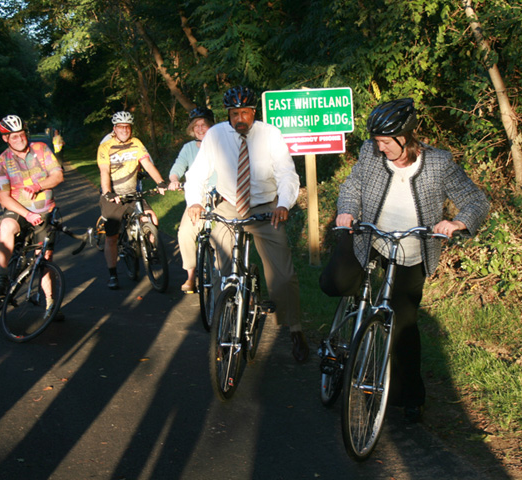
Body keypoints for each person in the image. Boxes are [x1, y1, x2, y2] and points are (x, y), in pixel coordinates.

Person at [319, 98, 489, 422]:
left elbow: (474, 200)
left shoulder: (439, 162)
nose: (379, 148)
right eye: (377, 141)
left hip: (412, 248)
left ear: (405, 137)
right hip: (368, 237)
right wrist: (347, 210)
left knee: (403, 323)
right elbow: (352, 186)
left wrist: (456, 222)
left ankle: (409, 395)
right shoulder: (370, 154)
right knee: (334, 282)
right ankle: (353, 315)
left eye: (385, 142)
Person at [184, 85, 309, 363]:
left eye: (246, 112)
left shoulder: (270, 135)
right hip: (229, 205)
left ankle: (295, 329)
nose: (240, 118)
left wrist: (283, 204)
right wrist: (193, 201)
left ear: (254, 112)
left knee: (283, 275)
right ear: (227, 113)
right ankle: (224, 331)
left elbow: (287, 174)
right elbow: (196, 175)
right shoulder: (216, 135)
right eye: (234, 113)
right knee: (222, 272)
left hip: (266, 207)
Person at [0, 115, 65, 316]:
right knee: (6, 227)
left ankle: (50, 304)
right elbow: (3, 198)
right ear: (5, 138)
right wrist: (27, 213)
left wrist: (38, 186)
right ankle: (2, 275)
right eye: (14, 137)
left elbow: (58, 175)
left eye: (22, 134)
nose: (20, 139)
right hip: (18, 210)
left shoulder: (41, 149)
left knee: (44, 259)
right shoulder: (2, 162)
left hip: (45, 211)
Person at [97, 111, 167, 289]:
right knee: (111, 238)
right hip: (113, 195)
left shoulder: (136, 143)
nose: (124, 130)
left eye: (127, 127)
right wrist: (108, 192)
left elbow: (147, 164)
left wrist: (160, 182)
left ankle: (152, 251)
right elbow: (104, 171)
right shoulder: (105, 147)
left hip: (132, 192)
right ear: (115, 129)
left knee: (151, 218)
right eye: (120, 127)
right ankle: (112, 274)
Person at [167, 107, 216, 293]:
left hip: (221, 197)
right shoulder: (188, 148)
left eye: (204, 124)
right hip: (198, 198)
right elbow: (178, 166)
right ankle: (191, 276)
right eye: (196, 126)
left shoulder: (220, 144)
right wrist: (173, 179)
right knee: (185, 233)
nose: (200, 128)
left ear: (211, 126)